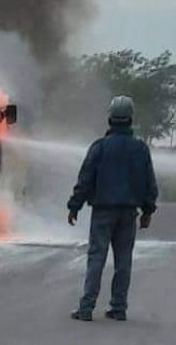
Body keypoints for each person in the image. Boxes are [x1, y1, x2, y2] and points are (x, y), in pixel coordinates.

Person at [67, 95, 158, 322]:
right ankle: (118, 308)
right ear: (130, 119)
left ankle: (86, 308)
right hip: (128, 213)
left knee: (96, 258)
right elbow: (149, 183)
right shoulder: (140, 149)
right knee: (123, 261)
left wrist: (74, 206)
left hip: (102, 211)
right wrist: (147, 211)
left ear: (110, 118)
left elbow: (85, 179)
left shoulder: (100, 147)